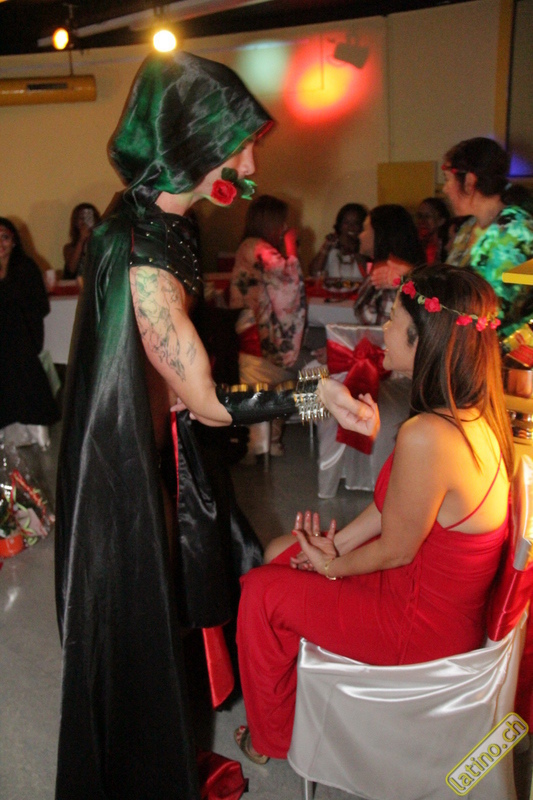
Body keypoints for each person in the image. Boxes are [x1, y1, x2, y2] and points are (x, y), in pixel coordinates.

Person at [55, 51, 368, 800]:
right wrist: (313, 395)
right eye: (239, 145)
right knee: (139, 630)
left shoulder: (161, 223)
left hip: (156, 448)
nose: (251, 164)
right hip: (126, 467)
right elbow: (207, 401)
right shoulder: (141, 246)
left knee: (188, 605)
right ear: (190, 144)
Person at [234, 264, 513, 763]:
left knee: (260, 591)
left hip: (418, 626)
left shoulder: (430, 435)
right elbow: (391, 511)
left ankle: (270, 739)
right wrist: (334, 547)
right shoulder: (468, 416)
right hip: (425, 599)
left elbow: (396, 550)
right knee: (280, 553)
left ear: (423, 340)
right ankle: (298, 704)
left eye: (392, 320)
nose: (382, 329)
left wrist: (333, 565)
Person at [229, 194, 306, 457]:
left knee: (267, 387)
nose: (285, 228)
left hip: (250, 326)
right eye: (282, 222)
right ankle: (266, 444)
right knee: (309, 370)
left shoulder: (249, 246)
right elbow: (289, 282)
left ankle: (264, 443)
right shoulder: (258, 247)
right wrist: (291, 247)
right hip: (260, 332)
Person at [443, 136, 533, 336]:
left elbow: (495, 309)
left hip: (506, 349)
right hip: (468, 343)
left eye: (448, 180)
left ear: (469, 181)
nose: (445, 189)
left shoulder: (517, 231)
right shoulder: (468, 228)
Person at [0, 217, 59, 434]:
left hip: (22, 336)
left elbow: (40, 305)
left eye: (4, 237)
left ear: (14, 241)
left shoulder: (26, 267)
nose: (0, 243)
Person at [355, 203, 425, 324]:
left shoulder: (391, 277)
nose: (360, 235)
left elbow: (385, 327)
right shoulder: (383, 268)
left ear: (380, 233)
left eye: (365, 229)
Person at [308, 202, 368, 281]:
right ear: (340, 225)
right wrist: (326, 245)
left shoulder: (367, 249)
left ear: (362, 226)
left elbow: (368, 275)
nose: (351, 227)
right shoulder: (331, 247)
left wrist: (355, 249)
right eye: (346, 223)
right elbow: (313, 273)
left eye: (356, 223)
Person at [62, 202, 101, 279]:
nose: (84, 221)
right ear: (76, 222)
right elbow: (71, 269)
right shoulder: (69, 248)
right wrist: (81, 240)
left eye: (88, 217)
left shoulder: (102, 245)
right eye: (81, 217)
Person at [415, 196, 451, 265]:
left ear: (441, 221)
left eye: (427, 216)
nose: (422, 221)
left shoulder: (448, 247)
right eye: (420, 216)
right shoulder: (415, 246)